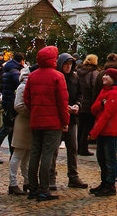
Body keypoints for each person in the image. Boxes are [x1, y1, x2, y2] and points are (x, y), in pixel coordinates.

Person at [24, 45, 69, 201]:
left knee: (35, 154)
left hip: (36, 120)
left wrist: (35, 111)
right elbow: (62, 102)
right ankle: (44, 189)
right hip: (53, 122)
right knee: (47, 155)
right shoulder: (58, 76)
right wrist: (65, 121)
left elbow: (27, 99)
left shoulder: (32, 76)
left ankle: (33, 188)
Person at [88, 67, 117, 197]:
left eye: (107, 76)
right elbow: (93, 109)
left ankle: (110, 185)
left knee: (109, 159)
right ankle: (104, 182)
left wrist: (93, 133)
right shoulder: (104, 91)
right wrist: (101, 105)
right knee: (101, 158)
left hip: (110, 130)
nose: (104, 77)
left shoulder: (115, 94)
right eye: (104, 75)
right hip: (103, 130)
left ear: (113, 79)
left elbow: (106, 115)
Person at [57, 53, 88, 188]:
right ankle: (51, 175)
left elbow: (81, 95)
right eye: (66, 64)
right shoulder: (57, 77)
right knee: (53, 150)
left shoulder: (75, 78)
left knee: (72, 148)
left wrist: (78, 105)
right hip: (58, 118)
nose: (68, 67)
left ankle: (73, 175)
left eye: (70, 64)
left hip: (72, 118)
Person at [0, 54, 23, 163]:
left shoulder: (7, 69)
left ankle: (12, 154)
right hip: (10, 102)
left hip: (7, 101)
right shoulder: (14, 71)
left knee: (10, 130)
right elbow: (19, 85)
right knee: (7, 129)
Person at [7, 69, 32, 195]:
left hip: (29, 123)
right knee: (18, 154)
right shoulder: (23, 86)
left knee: (27, 155)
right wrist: (31, 113)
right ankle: (13, 183)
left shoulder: (29, 85)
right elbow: (18, 106)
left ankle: (27, 181)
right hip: (23, 123)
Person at [76, 54, 100, 157]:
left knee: (80, 126)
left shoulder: (79, 72)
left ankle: (78, 147)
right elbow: (95, 87)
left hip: (81, 102)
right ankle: (84, 148)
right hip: (90, 102)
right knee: (87, 127)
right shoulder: (93, 73)